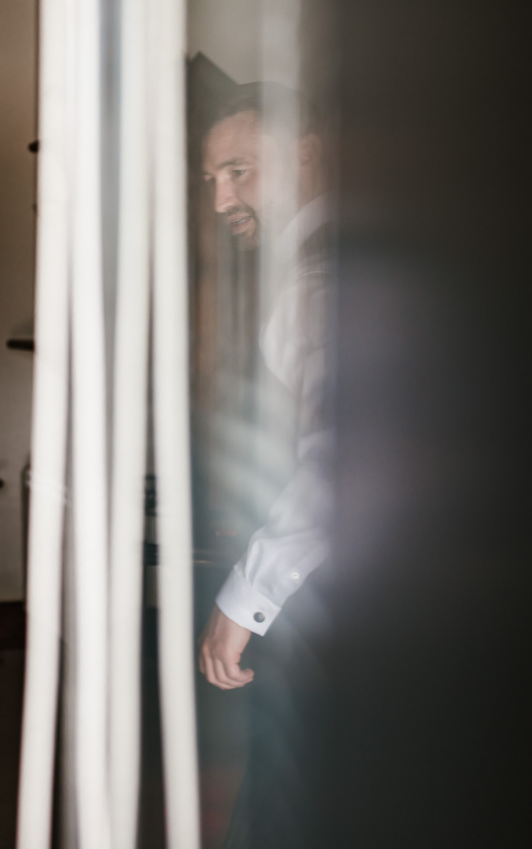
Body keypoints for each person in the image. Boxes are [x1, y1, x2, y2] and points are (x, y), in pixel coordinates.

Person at [195, 83, 334, 848]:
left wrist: (243, 599)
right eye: (213, 177)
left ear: (305, 155)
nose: (221, 198)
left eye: (240, 170)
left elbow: (339, 452)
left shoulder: (319, 277)